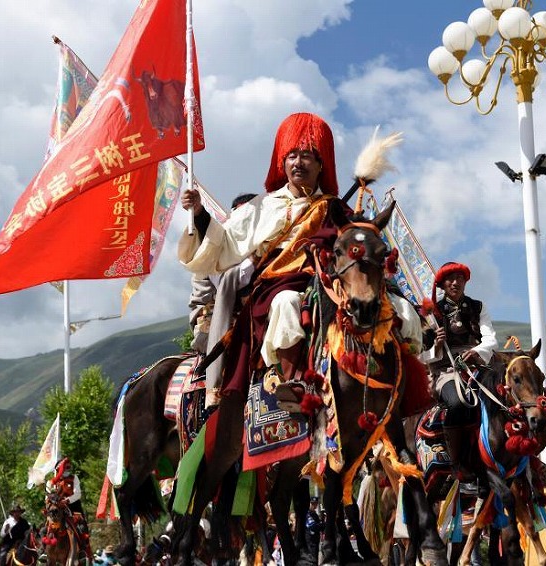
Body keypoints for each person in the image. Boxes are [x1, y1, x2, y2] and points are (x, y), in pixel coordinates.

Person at [179, 112, 422, 411]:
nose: (298, 162)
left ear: (321, 164)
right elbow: (225, 244)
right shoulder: (262, 206)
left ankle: (406, 387)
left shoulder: (336, 208)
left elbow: (361, 252)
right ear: (282, 162)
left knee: (402, 311)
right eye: (292, 154)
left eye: (307, 155)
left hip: (331, 283)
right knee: (286, 304)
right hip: (276, 286)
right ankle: (293, 381)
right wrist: (201, 215)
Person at [421, 261, 497, 480]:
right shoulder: (431, 312)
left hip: (477, 366)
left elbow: (490, 338)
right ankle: (457, 463)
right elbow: (419, 352)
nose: (456, 283)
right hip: (445, 370)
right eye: (451, 279)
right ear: (443, 284)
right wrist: (436, 345)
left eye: (460, 278)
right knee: (457, 402)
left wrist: (477, 351)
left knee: (507, 398)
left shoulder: (478, 307)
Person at [186, 193, 257, 407]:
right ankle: (216, 396)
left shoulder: (266, 248)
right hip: (215, 322)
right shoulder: (209, 256)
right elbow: (201, 304)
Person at [48, 458, 92, 560]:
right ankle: (44, 552)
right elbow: (47, 498)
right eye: (66, 467)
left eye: (69, 467)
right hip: (55, 510)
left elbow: (77, 494)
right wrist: (52, 501)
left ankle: (82, 551)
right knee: (44, 529)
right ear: (59, 469)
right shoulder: (51, 482)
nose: (68, 469)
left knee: (82, 527)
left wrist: (66, 501)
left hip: (73, 508)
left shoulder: (74, 478)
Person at [305, 496, 323, 561]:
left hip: (315, 541)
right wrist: (324, 525)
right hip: (310, 541)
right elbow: (313, 526)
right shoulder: (307, 513)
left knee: (315, 559)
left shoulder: (315, 514)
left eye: (315, 503)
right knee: (312, 560)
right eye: (312, 503)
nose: (314, 505)